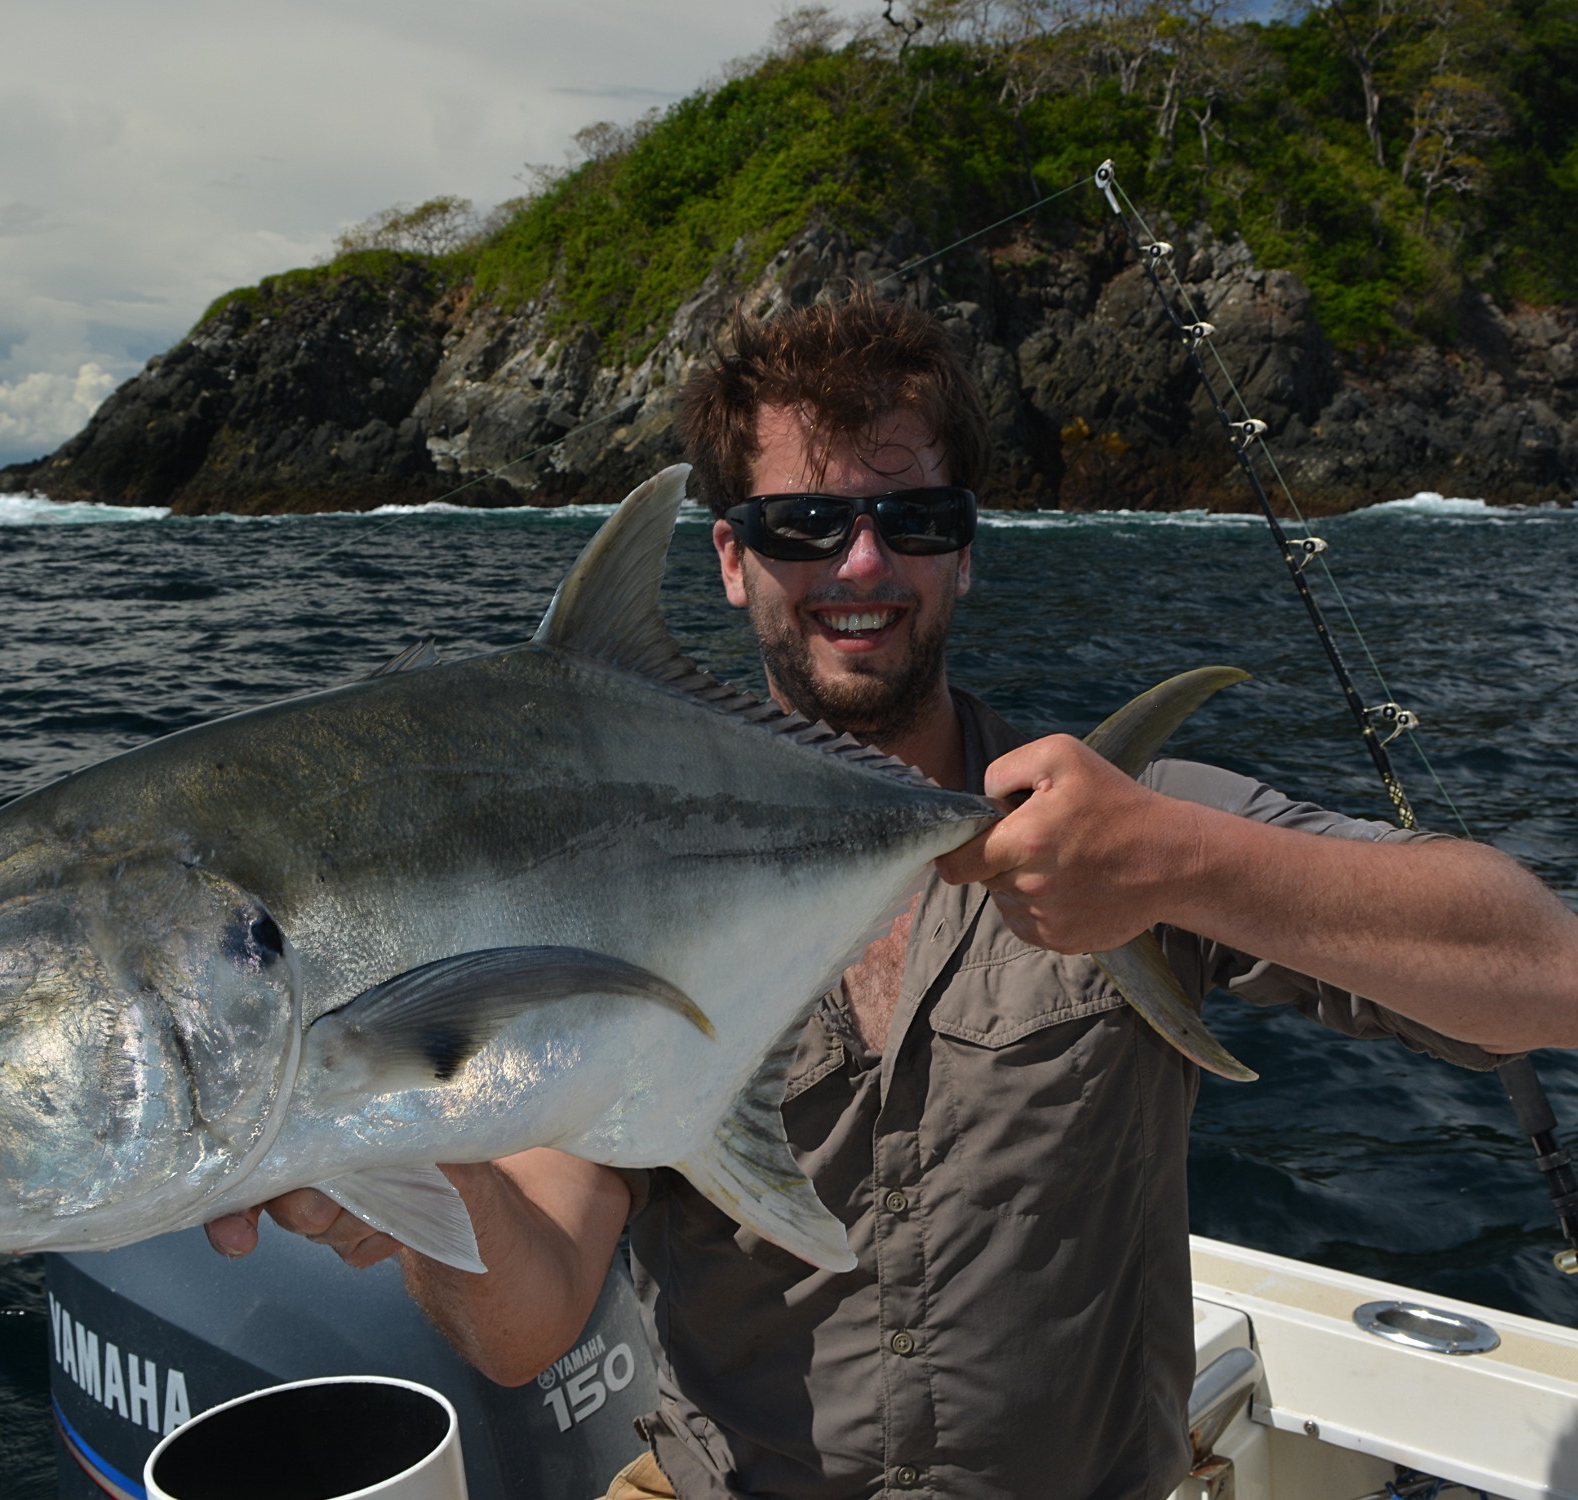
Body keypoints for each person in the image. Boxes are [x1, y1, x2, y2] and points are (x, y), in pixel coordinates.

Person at [206, 295, 1578, 1499]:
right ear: (732, 557)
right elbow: (528, 1318)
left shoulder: (1118, 828)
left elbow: (1543, 976)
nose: (861, 567)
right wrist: (375, 1155)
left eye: (910, 519)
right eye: (806, 524)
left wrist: (1182, 859)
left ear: (965, 551)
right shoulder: (597, 880)